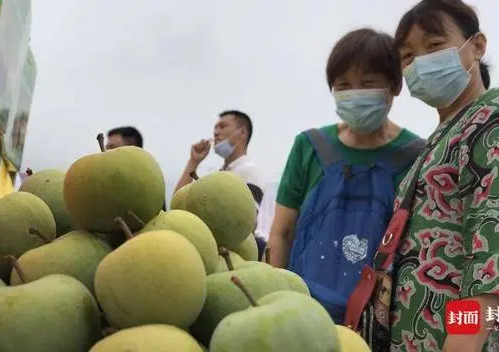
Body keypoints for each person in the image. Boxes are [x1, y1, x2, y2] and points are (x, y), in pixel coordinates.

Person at [390, 0, 499, 351]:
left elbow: (494, 254)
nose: (420, 63)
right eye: (408, 56)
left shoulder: (498, 118)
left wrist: (462, 342)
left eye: (434, 46)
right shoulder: (440, 137)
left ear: (476, 46)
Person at [266, 27, 424, 323]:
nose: (355, 94)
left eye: (367, 83)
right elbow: (282, 232)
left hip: (377, 321)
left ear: (395, 85)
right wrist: (275, 298)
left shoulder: (417, 156)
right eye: (343, 85)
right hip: (303, 312)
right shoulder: (310, 147)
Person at [173, 111, 266, 256]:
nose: (216, 132)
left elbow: (247, 223)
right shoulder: (219, 175)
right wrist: (194, 161)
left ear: (242, 133)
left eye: (222, 126)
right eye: (215, 128)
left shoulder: (249, 171)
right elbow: (177, 204)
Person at [106, 126, 166, 211]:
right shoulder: (105, 183)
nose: (105, 152)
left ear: (132, 147)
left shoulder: (147, 183)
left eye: (112, 147)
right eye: (106, 148)